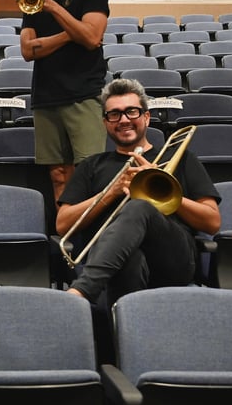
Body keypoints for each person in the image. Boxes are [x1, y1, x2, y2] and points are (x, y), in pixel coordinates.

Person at [56, 78, 221, 305]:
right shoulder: (90, 166)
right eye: (114, 114)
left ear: (146, 116)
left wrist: (160, 184)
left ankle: (80, 292)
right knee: (129, 260)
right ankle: (123, 337)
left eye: (131, 112)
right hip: (114, 267)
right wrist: (111, 191)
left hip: (173, 260)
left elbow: (212, 222)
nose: (123, 120)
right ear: (105, 122)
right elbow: (63, 224)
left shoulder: (180, 158)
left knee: (140, 205)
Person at [19, 0, 110, 206]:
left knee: (89, 172)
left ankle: (93, 243)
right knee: (58, 175)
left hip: (83, 94)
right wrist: (73, 33)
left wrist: (55, 9)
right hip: (46, 97)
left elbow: (92, 38)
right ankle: (66, 238)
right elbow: (27, 50)